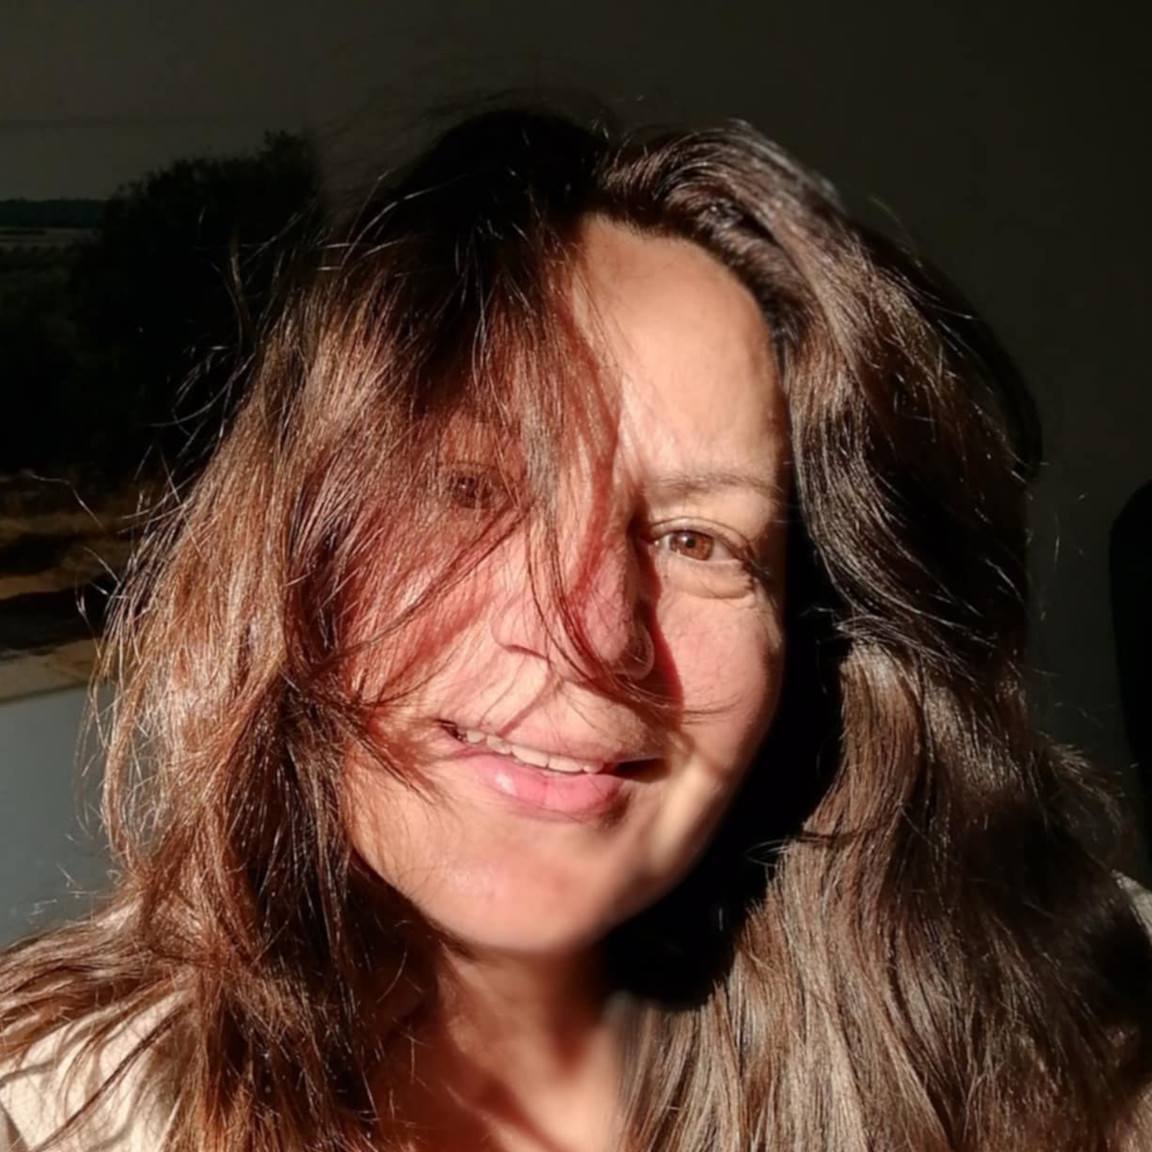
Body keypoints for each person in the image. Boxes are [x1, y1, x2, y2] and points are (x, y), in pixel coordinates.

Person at [2, 100, 1151, 1152]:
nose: (587, 636)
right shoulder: (50, 1105)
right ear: (295, 553)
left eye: (699, 540)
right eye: (471, 491)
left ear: (810, 647)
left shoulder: (1072, 1046)